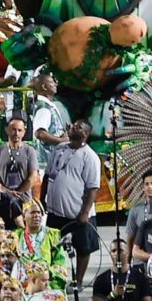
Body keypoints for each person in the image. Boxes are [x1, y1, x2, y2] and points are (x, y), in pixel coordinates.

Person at [42, 120, 103, 283]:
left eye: (78, 127)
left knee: (83, 249)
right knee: (52, 246)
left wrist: (84, 212)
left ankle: (78, 280)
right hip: (55, 211)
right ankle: (53, 278)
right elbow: (48, 175)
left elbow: (93, 187)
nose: (73, 127)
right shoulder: (59, 148)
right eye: (73, 125)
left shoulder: (90, 157)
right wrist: (42, 199)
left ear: (86, 134)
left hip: (78, 213)